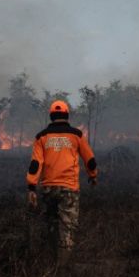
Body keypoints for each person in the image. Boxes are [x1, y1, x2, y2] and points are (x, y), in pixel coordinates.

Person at [27, 99, 98, 267]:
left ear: (51, 116)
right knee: (67, 228)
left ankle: (49, 263)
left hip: (48, 189)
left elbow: (35, 164)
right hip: (69, 190)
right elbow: (90, 160)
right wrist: (93, 175)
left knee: (50, 225)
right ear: (67, 115)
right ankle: (62, 269)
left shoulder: (41, 137)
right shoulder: (77, 135)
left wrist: (31, 188)